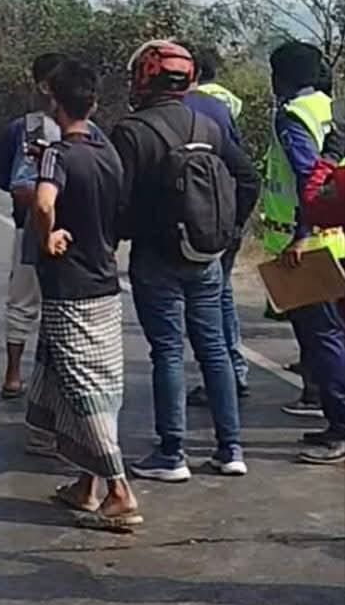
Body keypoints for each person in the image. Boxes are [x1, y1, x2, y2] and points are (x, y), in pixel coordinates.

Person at [111, 40, 259, 482]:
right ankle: (230, 448)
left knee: (169, 352)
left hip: (157, 257)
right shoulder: (208, 124)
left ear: (143, 78)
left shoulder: (132, 131)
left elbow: (118, 201)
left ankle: (172, 453)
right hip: (206, 255)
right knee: (213, 349)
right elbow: (247, 178)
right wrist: (228, 232)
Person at [25, 60, 140, 532]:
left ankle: (119, 489)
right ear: (92, 104)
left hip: (69, 285)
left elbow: (44, 201)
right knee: (85, 377)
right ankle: (85, 483)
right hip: (105, 280)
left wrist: (48, 235)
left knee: (81, 385)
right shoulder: (108, 153)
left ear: (55, 104)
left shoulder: (57, 155)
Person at [264, 41, 345, 464]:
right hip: (337, 237)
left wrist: (301, 234)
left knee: (323, 338)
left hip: (311, 244)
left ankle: (340, 428)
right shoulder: (329, 107)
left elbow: (307, 174)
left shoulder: (292, 116)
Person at [0, 52, 64, 400]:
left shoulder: (35, 126)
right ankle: (15, 373)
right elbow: (17, 185)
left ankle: (20, 374)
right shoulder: (32, 128)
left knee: (36, 302)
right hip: (39, 224)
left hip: (44, 224)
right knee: (28, 301)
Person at [182, 52, 251, 404]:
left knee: (197, 312)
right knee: (220, 297)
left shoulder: (177, 112)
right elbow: (245, 172)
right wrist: (237, 220)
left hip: (192, 222)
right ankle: (233, 371)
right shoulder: (221, 106)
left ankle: (220, 379)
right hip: (224, 216)